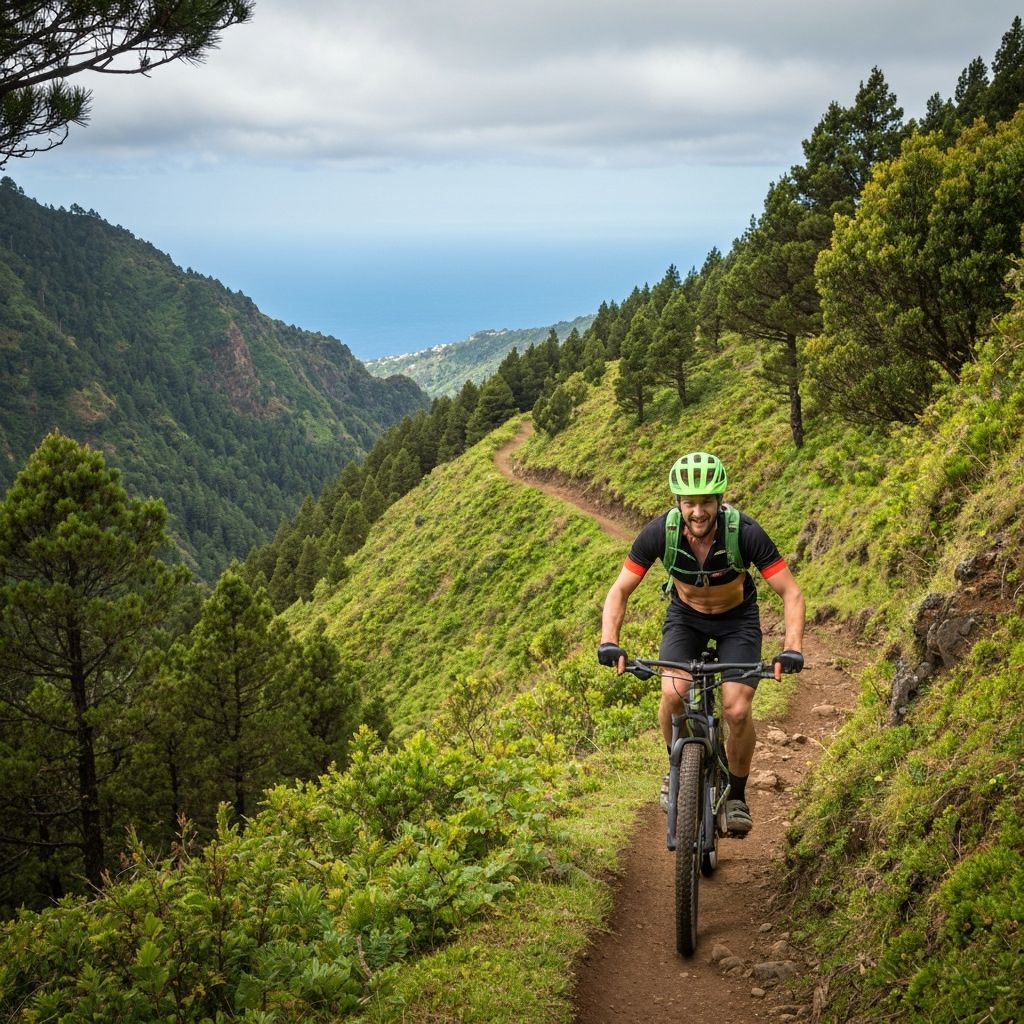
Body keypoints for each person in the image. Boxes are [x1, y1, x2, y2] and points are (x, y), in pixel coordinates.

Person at [598, 451, 805, 834]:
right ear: (677, 503)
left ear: (719, 501)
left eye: (706, 502)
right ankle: (674, 768)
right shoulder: (661, 533)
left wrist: (792, 647)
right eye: (689, 502)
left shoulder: (744, 533)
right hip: (685, 618)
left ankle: (737, 795)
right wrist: (610, 640)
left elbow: (790, 593)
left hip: (737, 621)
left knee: (737, 710)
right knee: (673, 694)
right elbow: (620, 590)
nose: (698, 511)